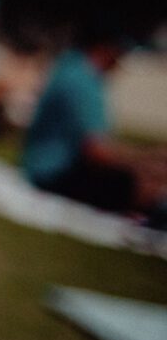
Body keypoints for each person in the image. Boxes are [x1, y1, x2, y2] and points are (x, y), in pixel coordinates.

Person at [23, 35, 167, 216]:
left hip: (40, 166)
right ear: (107, 50)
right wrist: (147, 160)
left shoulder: (70, 66)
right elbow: (97, 152)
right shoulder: (84, 82)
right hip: (56, 173)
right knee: (142, 184)